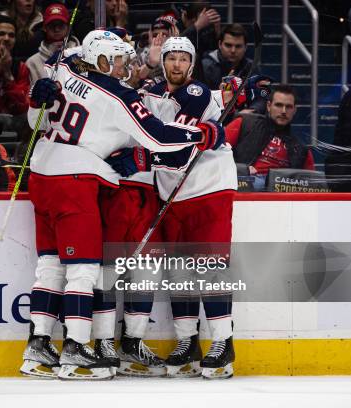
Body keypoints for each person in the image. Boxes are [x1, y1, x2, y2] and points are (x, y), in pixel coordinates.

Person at [20, 30, 223, 380]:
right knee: (84, 269)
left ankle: (37, 344)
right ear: (100, 59)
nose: (124, 66)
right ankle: (78, 348)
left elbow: (35, 117)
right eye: (117, 60)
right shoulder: (119, 95)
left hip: (41, 172)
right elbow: (159, 136)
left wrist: (34, 99)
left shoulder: (65, 68)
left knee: (51, 264)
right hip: (76, 179)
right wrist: (202, 134)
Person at [139, 37, 237, 379]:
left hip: (208, 186)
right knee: (180, 271)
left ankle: (223, 344)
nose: (177, 65)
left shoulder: (195, 95)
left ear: (192, 65)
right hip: (173, 193)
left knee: (209, 266)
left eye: (183, 59)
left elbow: (176, 145)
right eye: (172, 58)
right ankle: (187, 341)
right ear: (163, 61)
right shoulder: (152, 92)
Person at [225, 84, 314, 185]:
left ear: (294, 110)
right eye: (279, 105)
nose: (284, 111)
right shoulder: (244, 123)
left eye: (288, 107)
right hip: (243, 185)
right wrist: (241, 170)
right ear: (268, 106)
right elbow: (216, 153)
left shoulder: (302, 150)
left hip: (281, 194)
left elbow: (312, 186)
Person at [26, 3, 80, 86]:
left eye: (61, 25)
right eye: (52, 25)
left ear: (68, 27)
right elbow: (30, 95)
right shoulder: (32, 62)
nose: (57, 29)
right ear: (44, 28)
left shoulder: (82, 56)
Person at [201, 24, 259, 90]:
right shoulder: (206, 66)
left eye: (238, 46)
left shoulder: (250, 66)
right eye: (228, 45)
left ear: (245, 47)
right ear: (220, 44)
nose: (233, 50)